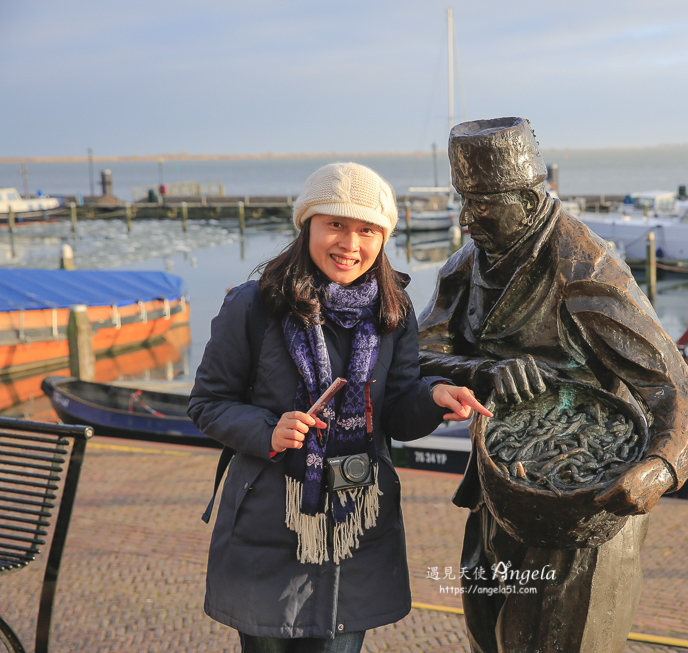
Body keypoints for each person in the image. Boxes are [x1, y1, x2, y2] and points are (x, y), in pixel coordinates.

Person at [418, 117, 688, 652]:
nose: (464, 220)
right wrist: (481, 371)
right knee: (489, 634)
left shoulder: (586, 268)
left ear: (527, 202)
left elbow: (675, 385)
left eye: (480, 205)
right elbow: (418, 356)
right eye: (463, 200)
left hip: (588, 503)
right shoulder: (464, 269)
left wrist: (661, 468)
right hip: (500, 488)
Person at [188, 161, 491, 653]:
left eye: (367, 230)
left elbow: (395, 409)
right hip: (269, 527)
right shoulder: (251, 305)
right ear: (307, 225)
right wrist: (267, 429)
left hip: (356, 528)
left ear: (383, 236)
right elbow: (207, 404)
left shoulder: (394, 309)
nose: (351, 245)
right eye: (336, 225)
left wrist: (433, 396)